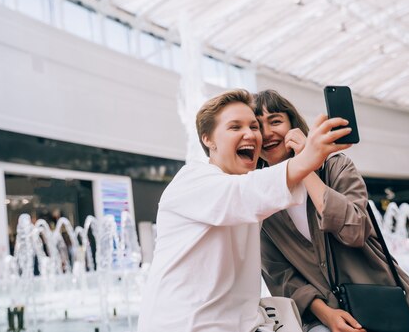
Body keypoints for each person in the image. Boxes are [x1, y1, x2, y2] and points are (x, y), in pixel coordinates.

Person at [137, 89, 352, 332]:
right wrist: (308, 155)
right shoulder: (193, 181)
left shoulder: (250, 191)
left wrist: (308, 158)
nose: (250, 134)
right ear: (208, 139)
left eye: (253, 127)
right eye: (235, 127)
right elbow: (245, 193)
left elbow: (339, 220)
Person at [254, 89, 409, 332]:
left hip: (383, 301)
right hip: (325, 318)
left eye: (275, 121)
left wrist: (303, 163)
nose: (267, 133)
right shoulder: (261, 198)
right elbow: (280, 275)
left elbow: (355, 230)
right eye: (258, 126)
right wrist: (327, 315)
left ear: (293, 125)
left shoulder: (336, 167)